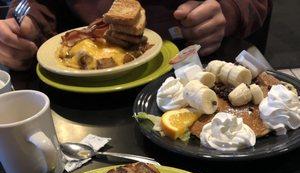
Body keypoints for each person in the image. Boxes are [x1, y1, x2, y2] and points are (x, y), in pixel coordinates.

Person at [0, 0, 272, 71]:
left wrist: (228, 11)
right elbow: (35, 4)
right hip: (84, 88)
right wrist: (23, 24)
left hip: (195, 65)